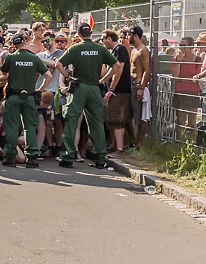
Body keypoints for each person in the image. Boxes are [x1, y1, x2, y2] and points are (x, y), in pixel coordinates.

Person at [56, 23, 123, 169]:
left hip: (79, 88)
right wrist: (104, 80)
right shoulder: (100, 48)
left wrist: (68, 77)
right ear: (91, 33)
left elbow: (58, 64)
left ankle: (68, 156)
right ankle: (100, 158)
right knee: (96, 123)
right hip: (94, 88)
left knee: (72, 120)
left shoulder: (75, 48)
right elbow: (116, 66)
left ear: (79, 34)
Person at [0, 34, 51, 167]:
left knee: (12, 127)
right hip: (29, 96)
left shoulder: (10, 57)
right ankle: (32, 157)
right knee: (30, 127)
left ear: (13, 44)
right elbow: (48, 75)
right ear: (25, 42)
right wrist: (40, 89)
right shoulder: (33, 58)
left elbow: (4, 72)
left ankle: (11, 157)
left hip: (14, 96)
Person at [100, 30, 132, 155]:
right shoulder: (114, 51)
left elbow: (118, 69)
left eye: (103, 39)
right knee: (113, 118)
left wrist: (111, 89)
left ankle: (119, 149)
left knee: (115, 118)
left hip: (119, 90)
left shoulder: (120, 50)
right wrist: (103, 80)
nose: (102, 42)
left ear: (109, 38)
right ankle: (115, 146)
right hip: (115, 90)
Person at [171, 36, 201, 140]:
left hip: (193, 93)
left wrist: (182, 79)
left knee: (192, 123)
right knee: (180, 122)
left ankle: (192, 145)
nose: (181, 48)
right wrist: (179, 61)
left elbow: (197, 78)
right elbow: (175, 76)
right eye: (180, 45)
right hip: (180, 92)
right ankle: (180, 144)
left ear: (191, 47)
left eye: (184, 45)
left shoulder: (197, 60)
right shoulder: (176, 59)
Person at [128, 26, 151, 145]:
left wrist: (142, 88)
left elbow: (147, 70)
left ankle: (139, 144)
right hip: (130, 86)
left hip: (138, 86)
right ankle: (132, 141)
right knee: (126, 118)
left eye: (129, 35)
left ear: (135, 36)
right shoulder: (133, 50)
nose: (127, 37)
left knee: (141, 118)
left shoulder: (143, 50)